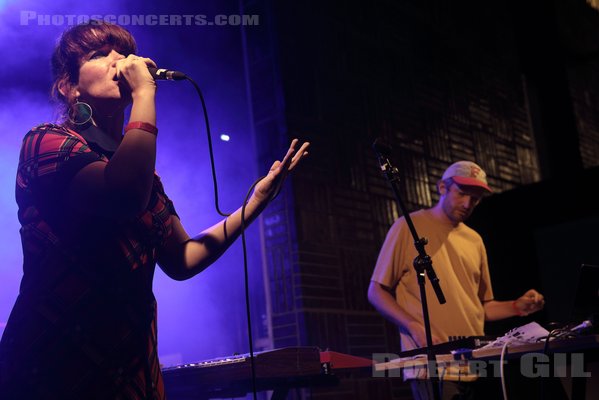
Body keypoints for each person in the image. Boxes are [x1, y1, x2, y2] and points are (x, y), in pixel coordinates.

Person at [0, 21, 309, 399]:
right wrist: (146, 94)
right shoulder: (46, 142)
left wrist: (254, 204)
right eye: (100, 55)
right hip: (54, 371)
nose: (121, 61)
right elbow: (122, 194)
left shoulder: (145, 176)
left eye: (123, 52)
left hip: (131, 376)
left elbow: (182, 258)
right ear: (69, 86)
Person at [368, 160, 545, 400]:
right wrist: (414, 326)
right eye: (462, 193)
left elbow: (482, 307)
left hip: (474, 364)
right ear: (442, 187)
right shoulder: (408, 226)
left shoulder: (474, 240)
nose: (467, 203)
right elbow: (376, 291)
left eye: (475, 198)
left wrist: (517, 306)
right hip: (431, 363)